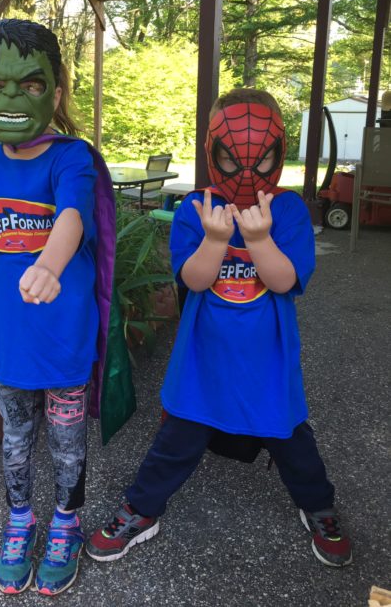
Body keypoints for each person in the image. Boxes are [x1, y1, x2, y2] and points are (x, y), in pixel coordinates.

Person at [86, 88, 352, 568]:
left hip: (268, 362)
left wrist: (257, 237)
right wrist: (215, 238)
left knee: (292, 441)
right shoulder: (196, 208)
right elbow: (193, 279)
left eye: (260, 156)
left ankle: (318, 507)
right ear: (212, 150)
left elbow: (284, 280)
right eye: (230, 158)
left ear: (278, 150)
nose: (245, 171)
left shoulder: (287, 211)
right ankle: (142, 509)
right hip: (202, 361)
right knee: (177, 439)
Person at [0, 18, 114, 596]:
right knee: (14, 438)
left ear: (55, 92)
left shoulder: (71, 157)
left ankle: (66, 522)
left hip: (61, 337)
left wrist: (49, 265)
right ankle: (20, 521)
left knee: (64, 438)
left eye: (30, 85)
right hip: (9, 341)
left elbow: (73, 216)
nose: (11, 98)